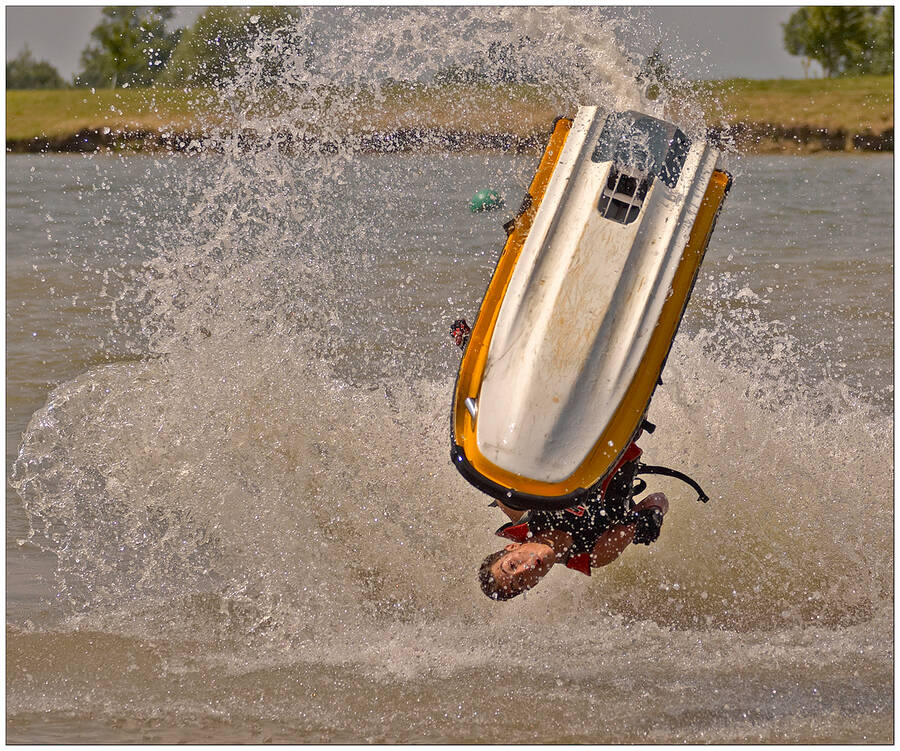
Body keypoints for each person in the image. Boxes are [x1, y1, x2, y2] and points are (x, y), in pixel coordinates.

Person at [451, 317, 668, 601]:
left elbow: (499, 444)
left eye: (512, 567)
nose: (524, 572)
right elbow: (658, 499)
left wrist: (473, 361)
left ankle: (489, 357)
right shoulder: (595, 552)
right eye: (520, 584)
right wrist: (651, 519)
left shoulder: (521, 512)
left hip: (574, 414)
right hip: (623, 421)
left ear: (511, 549)